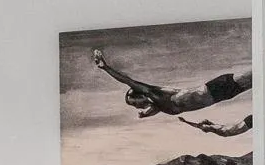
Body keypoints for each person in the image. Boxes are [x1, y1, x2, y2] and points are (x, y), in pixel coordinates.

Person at [90, 46, 252, 123]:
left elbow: (128, 81)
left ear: (141, 95)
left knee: (260, 74)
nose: (136, 107)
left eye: (134, 104)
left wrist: (106, 68)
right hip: (221, 96)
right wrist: (145, 115)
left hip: (217, 88)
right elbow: (155, 109)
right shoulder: (158, 104)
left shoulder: (154, 93)